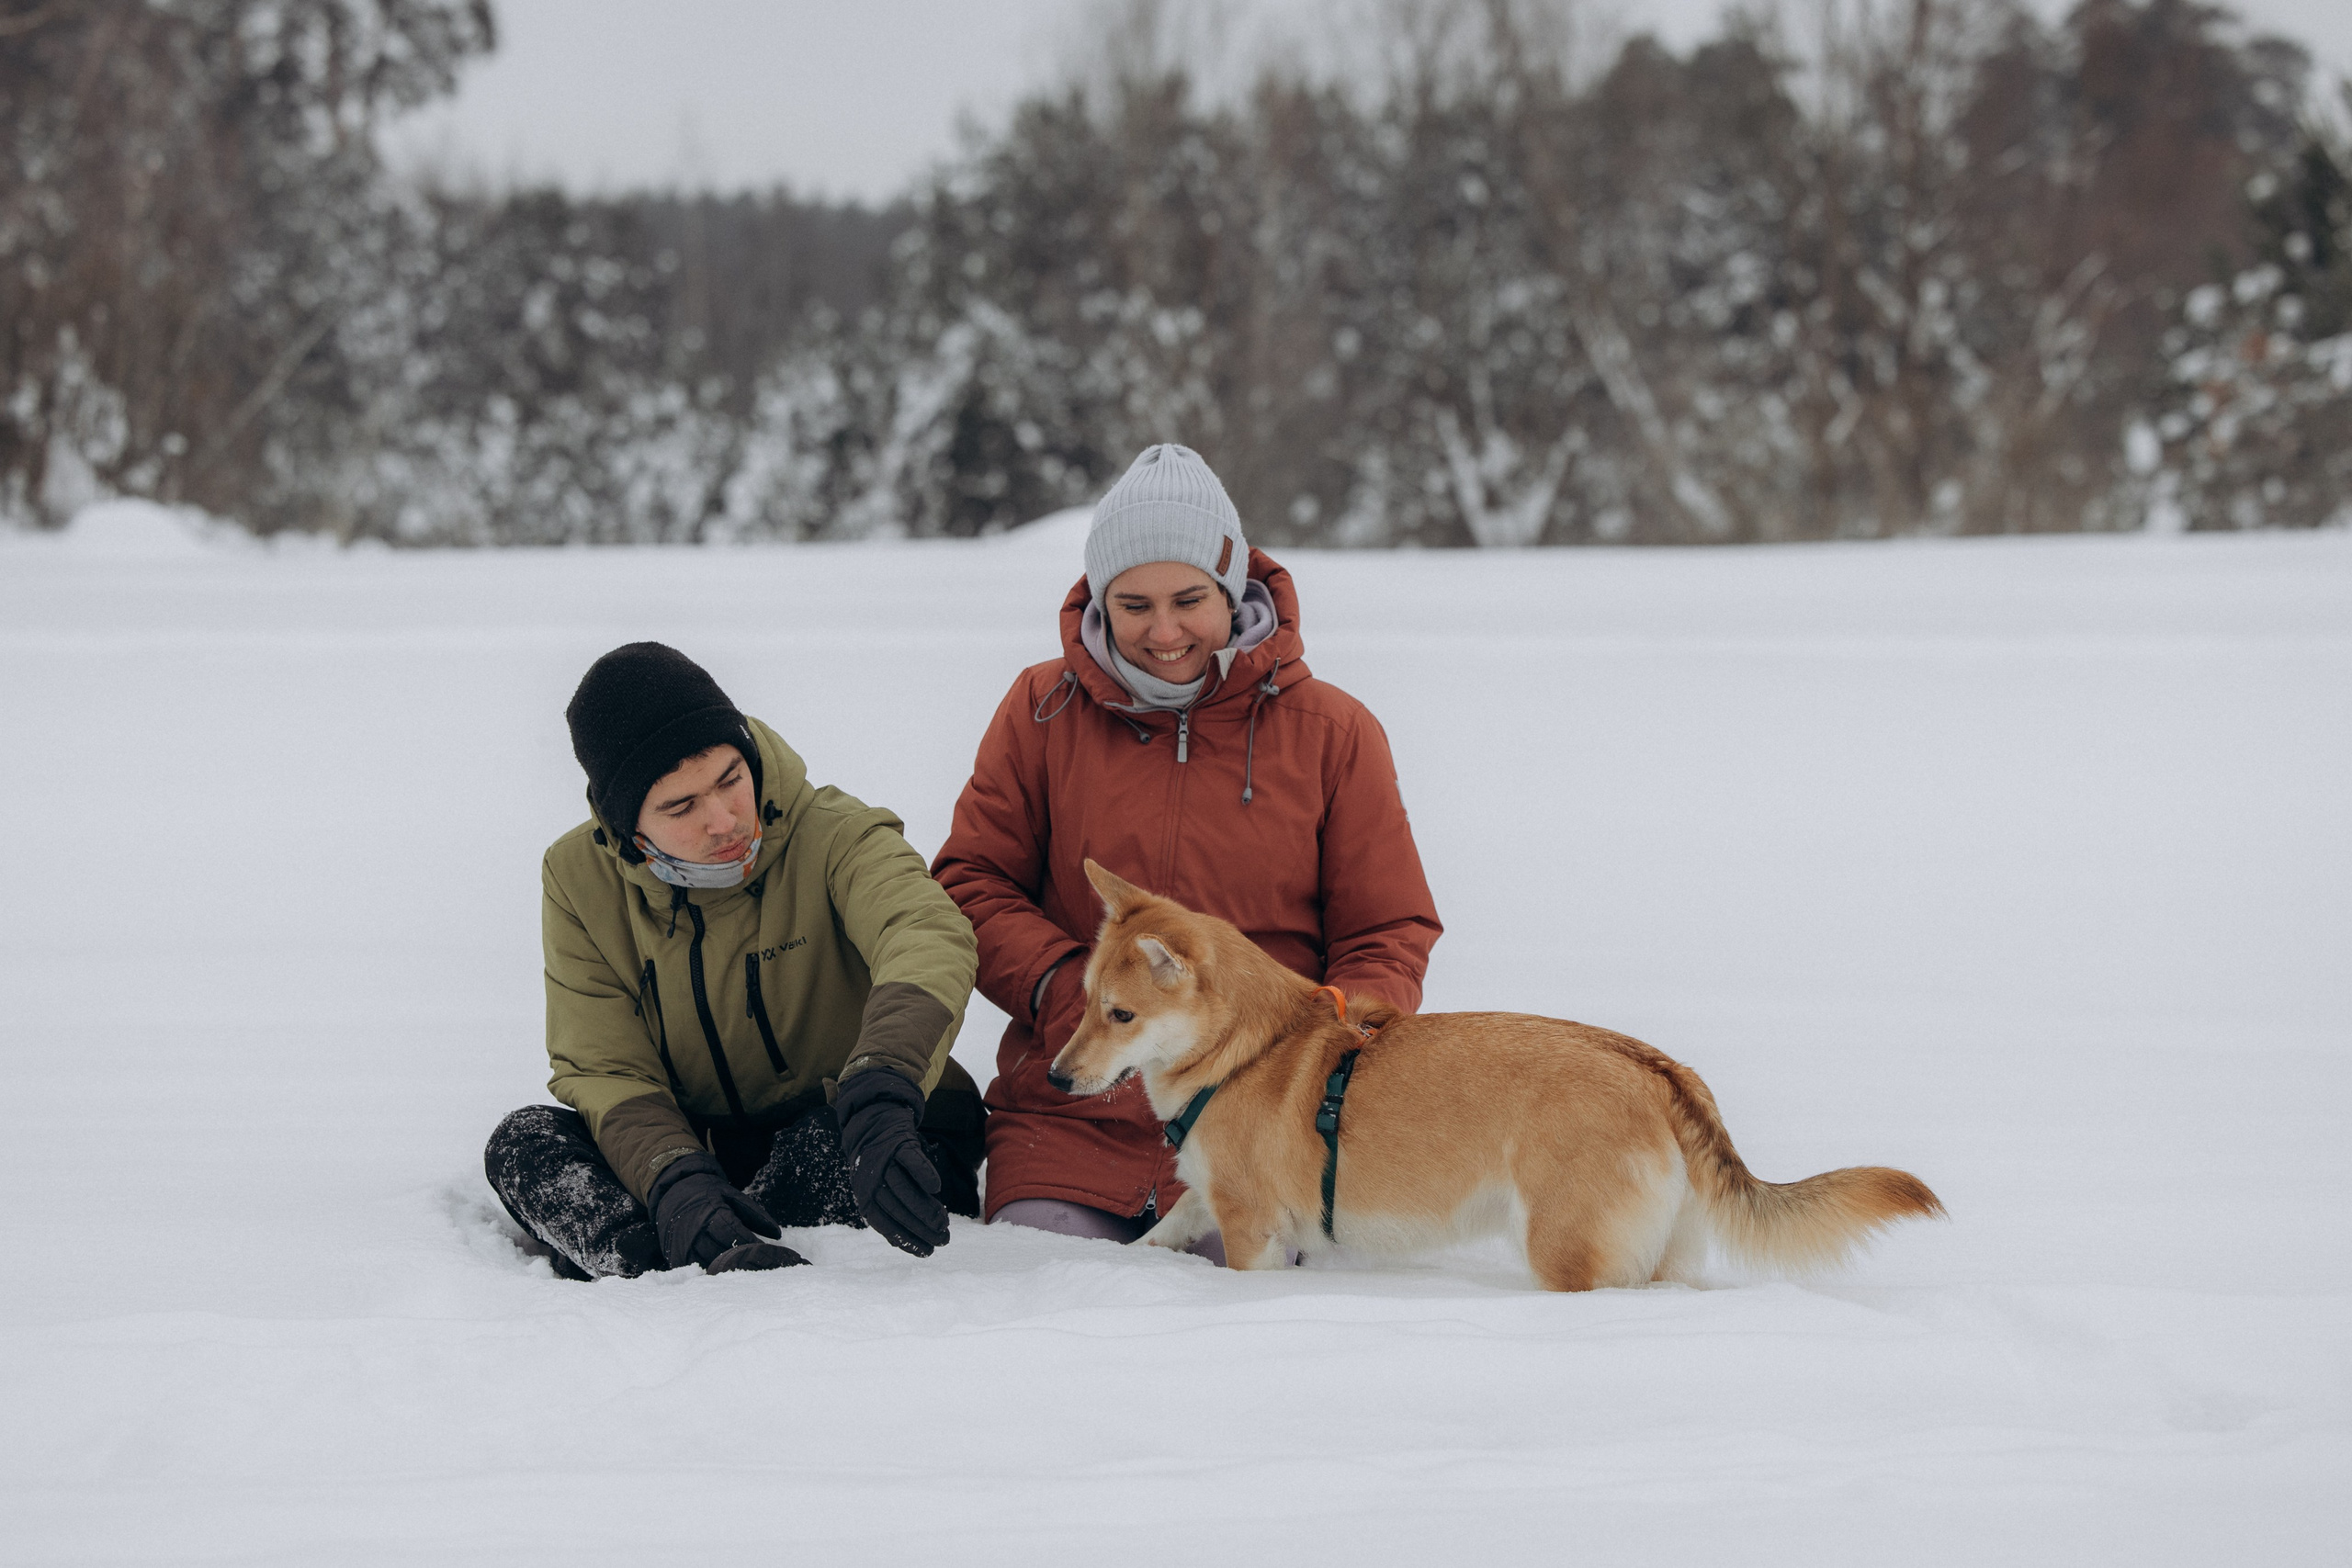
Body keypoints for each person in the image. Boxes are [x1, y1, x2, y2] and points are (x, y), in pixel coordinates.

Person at [933, 443, 1442, 1256]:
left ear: (1233, 586)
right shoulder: (1039, 709)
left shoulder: (1334, 733)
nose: (1163, 632)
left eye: (1188, 599)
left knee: (1243, 1333)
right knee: (1044, 1306)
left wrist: (1327, 1045)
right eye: (1133, 604)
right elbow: (970, 883)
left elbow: (1388, 930)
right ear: (1099, 598)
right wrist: (1076, 990)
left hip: (1267, 1125)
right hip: (1069, 1120)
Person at [485, 642, 983, 1278]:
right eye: (681, 806)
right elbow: (603, 1061)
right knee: (523, 1143)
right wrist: (673, 1180)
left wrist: (883, 1083)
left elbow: (925, 930)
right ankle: (667, 1247)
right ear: (626, 825)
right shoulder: (577, 878)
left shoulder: (834, 832)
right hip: (701, 1148)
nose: (723, 820)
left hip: (866, 1121)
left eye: (730, 780)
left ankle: (719, 1249)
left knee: (823, 1148)